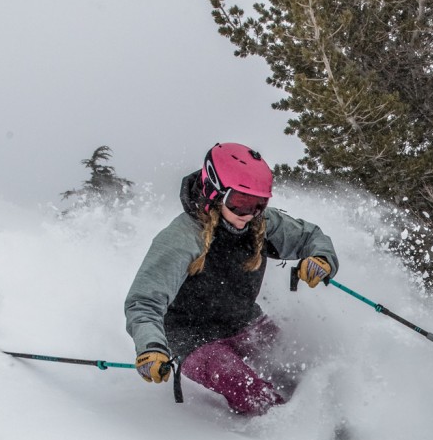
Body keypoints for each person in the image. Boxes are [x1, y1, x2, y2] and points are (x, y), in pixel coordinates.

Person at [124, 142, 338, 416]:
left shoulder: (260, 223)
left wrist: (320, 258)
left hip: (243, 322)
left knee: (300, 368)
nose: (249, 214)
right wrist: (151, 347)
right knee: (250, 389)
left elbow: (309, 236)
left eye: (259, 204)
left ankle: (337, 426)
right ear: (215, 193)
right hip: (192, 339)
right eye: (239, 203)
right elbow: (143, 302)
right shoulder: (181, 239)